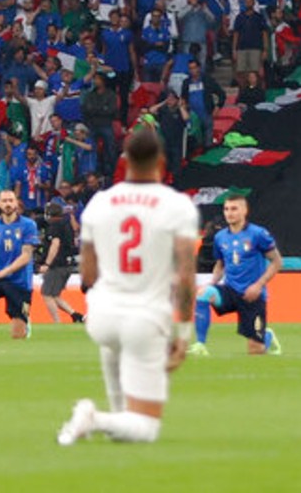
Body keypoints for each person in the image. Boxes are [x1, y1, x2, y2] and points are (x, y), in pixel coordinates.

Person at [55, 122, 198, 446]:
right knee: (146, 429)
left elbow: (87, 275)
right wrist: (184, 333)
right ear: (161, 161)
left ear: (125, 160)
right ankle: (92, 417)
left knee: (126, 420)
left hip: (103, 315)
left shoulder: (100, 203)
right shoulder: (176, 206)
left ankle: (113, 418)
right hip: (145, 317)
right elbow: (186, 275)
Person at [189, 195, 282, 356]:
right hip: (230, 291)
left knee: (255, 351)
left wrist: (258, 286)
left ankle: (266, 336)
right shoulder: (220, 237)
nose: (229, 213)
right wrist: (211, 283)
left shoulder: (258, 234)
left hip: (253, 295)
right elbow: (220, 265)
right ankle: (200, 344)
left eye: (234, 209)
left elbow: (276, 262)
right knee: (203, 293)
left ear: (244, 211)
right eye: (226, 209)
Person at [0, 188, 39, 341]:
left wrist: (3, 272)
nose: (8, 204)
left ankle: (24, 321)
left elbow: (26, 256)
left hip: (20, 283)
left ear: (16, 203)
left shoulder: (28, 225)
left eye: (11, 200)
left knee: (17, 336)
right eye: (4, 201)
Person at [38, 200, 83, 324]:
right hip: (66, 264)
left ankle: (57, 322)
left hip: (58, 265)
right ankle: (75, 315)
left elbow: (55, 244)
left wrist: (47, 264)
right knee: (55, 295)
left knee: (46, 294)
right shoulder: (66, 224)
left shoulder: (55, 226)